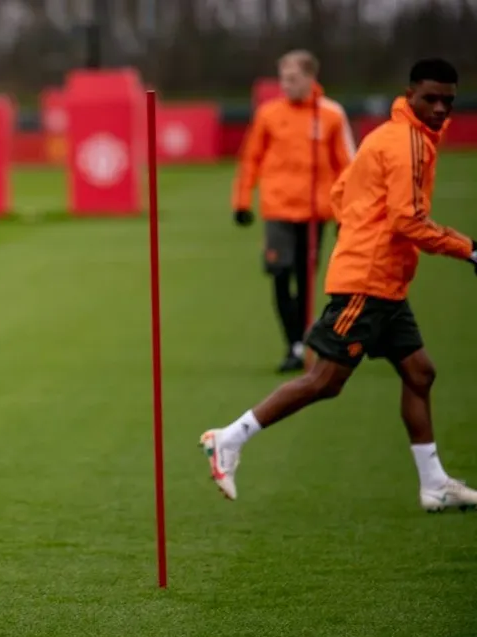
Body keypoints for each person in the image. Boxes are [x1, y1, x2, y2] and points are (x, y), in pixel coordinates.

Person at [203, 57, 477, 512]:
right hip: (366, 282)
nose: (440, 109)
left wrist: (358, 228)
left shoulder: (392, 134)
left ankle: (433, 484)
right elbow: (408, 219)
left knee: (419, 373)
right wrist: (467, 248)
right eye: (430, 99)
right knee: (324, 380)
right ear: (410, 95)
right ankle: (229, 438)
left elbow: (340, 188)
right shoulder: (404, 141)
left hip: (385, 282)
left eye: (448, 101)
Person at [232, 49, 356, 372]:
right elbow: (251, 158)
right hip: (277, 209)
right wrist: (242, 201)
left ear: (310, 78)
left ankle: (303, 342)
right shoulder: (269, 114)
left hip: (316, 213)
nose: (286, 85)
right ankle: (294, 343)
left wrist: (349, 213)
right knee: (278, 275)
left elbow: (348, 167)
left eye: (292, 78)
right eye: (282, 79)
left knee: (306, 279)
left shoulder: (330, 115)